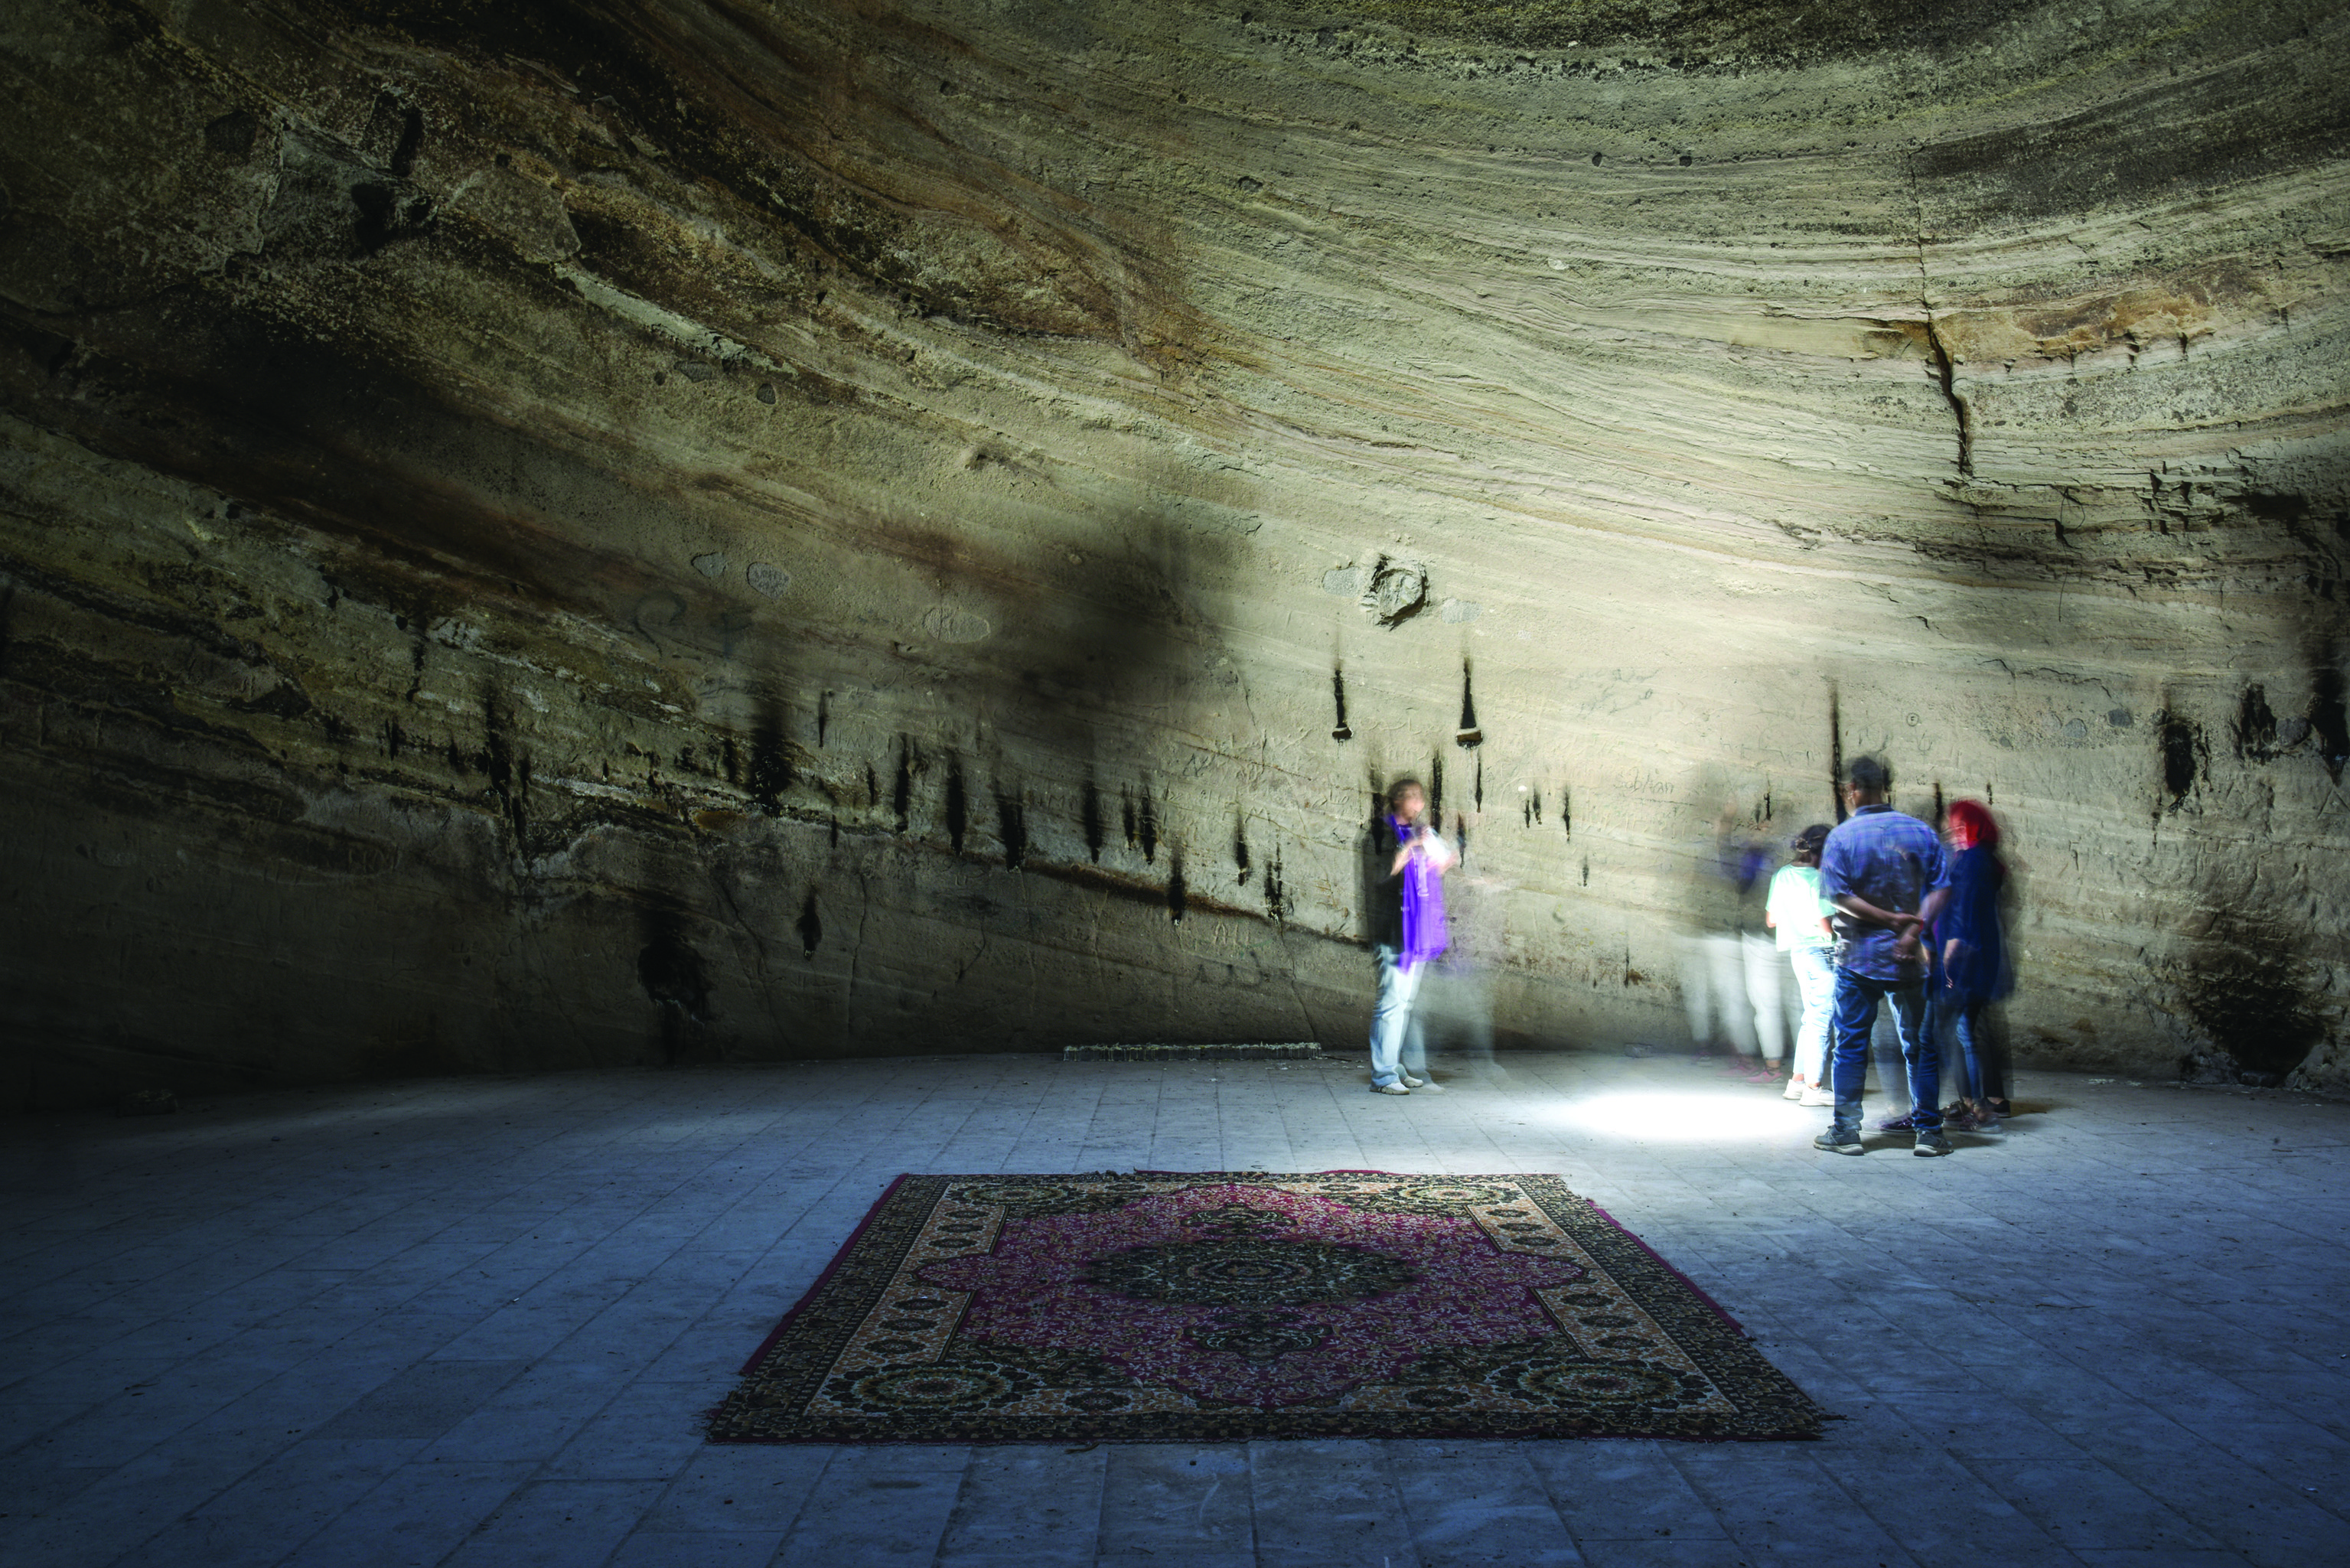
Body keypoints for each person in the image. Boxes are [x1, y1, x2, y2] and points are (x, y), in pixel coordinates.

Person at [1812, 757, 1954, 1157]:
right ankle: (1929, 1132)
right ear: (1884, 786)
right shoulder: (1920, 831)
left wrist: (1889, 920)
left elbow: (1839, 896)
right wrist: (1912, 929)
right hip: (1909, 960)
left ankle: (1847, 1132)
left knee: (1852, 1045)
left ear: (1853, 789)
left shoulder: (1842, 837)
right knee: (1920, 1045)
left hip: (1858, 958)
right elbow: (1942, 888)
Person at [1367, 777, 1455, 1094]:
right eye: (1410, 797)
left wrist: (1441, 856)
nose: (1417, 803)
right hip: (1392, 930)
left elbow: (1434, 870)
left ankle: (1393, 1066)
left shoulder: (1416, 832)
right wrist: (1410, 846)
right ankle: (1383, 1076)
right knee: (1390, 1003)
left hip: (1415, 932)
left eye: (1420, 797)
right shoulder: (1380, 833)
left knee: (1404, 1003)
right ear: (1397, 800)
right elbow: (1379, 875)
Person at [1938, 799, 2012, 1129]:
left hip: (1966, 959)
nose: (1953, 834)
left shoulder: (1969, 861)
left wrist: (1949, 956)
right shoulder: (1989, 861)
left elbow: (1963, 914)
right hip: (1986, 956)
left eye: (1958, 828)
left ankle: (1973, 1103)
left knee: (1961, 1031)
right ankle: (1991, 1100)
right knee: (1977, 1029)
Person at [1765, 824, 1837, 1107]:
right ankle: (1814, 1088)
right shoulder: (1820, 878)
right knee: (1821, 1020)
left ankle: (1797, 1082)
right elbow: (1825, 926)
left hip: (1797, 951)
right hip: (1822, 952)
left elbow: (1771, 919)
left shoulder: (1782, 874)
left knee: (1810, 1018)